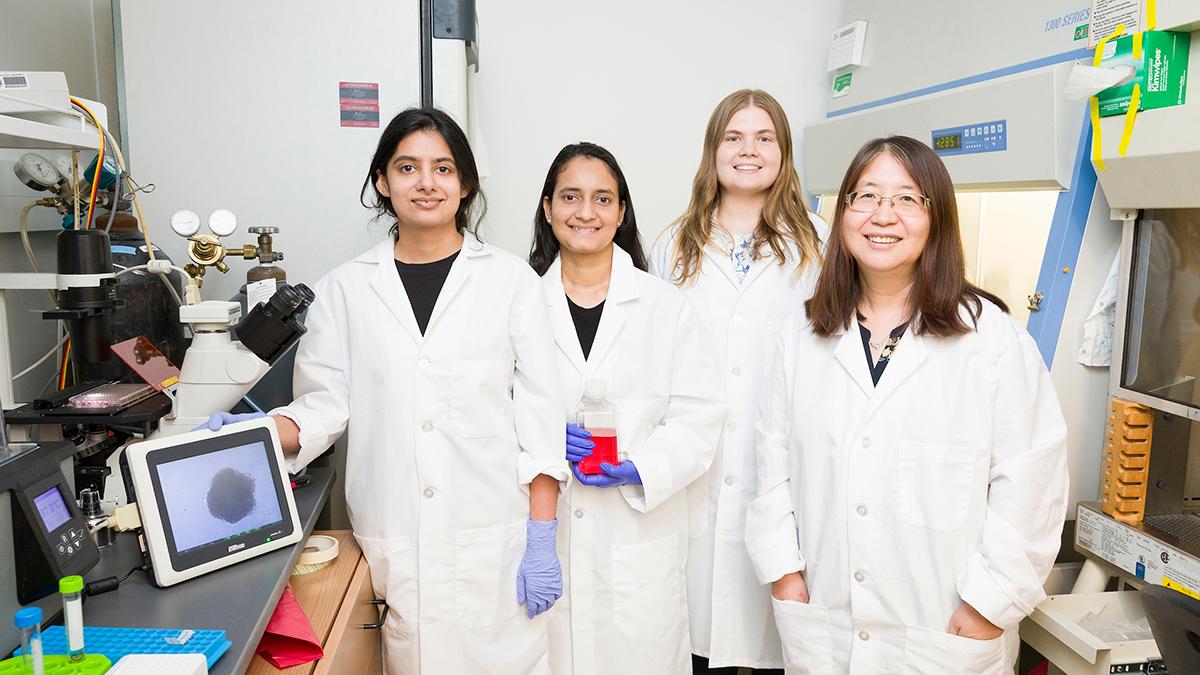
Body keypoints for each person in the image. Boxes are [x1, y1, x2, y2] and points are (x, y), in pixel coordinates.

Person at [200, 108, 568, 674]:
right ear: (383, 182)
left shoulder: (511, 282)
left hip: (494, 540)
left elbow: (544, 421)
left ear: (464, 184)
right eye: (408, 167)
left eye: (443, 168)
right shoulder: (344, 290)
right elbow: (324, 405)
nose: (427, 182)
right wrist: (260, 434)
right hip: (397, 538)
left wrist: (542, 535)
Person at [745, 135, 1069, 674]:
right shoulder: (802, 335)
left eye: (906, 199)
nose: (882, 215)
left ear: (936, 217)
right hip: (825, 624)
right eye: (866, 196)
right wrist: (785, 575)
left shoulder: (992, 341)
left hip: (944, 631)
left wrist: (988, 605)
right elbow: (771, 467)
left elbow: (1032, 482)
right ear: (844, 213)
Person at [529, 142, 725, 674]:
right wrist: (542, 435)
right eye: (570, 197)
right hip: (553, 537)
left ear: (620, 212)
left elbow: (700, 416)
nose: (585, 212)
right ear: (548, 209)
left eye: (602, 199)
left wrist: (639, 466)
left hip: (638, 547)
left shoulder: (666, 309)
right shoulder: (519, 304)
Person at [649, 89, 826, 674]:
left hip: (785, 470)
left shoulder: (820, 246)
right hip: (694, 470)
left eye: (764, 138)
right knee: (697, 638)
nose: (748, 150)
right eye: (734, 137)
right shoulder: (674, 246)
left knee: (777, 639)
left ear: (784, 153)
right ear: (713, 150)